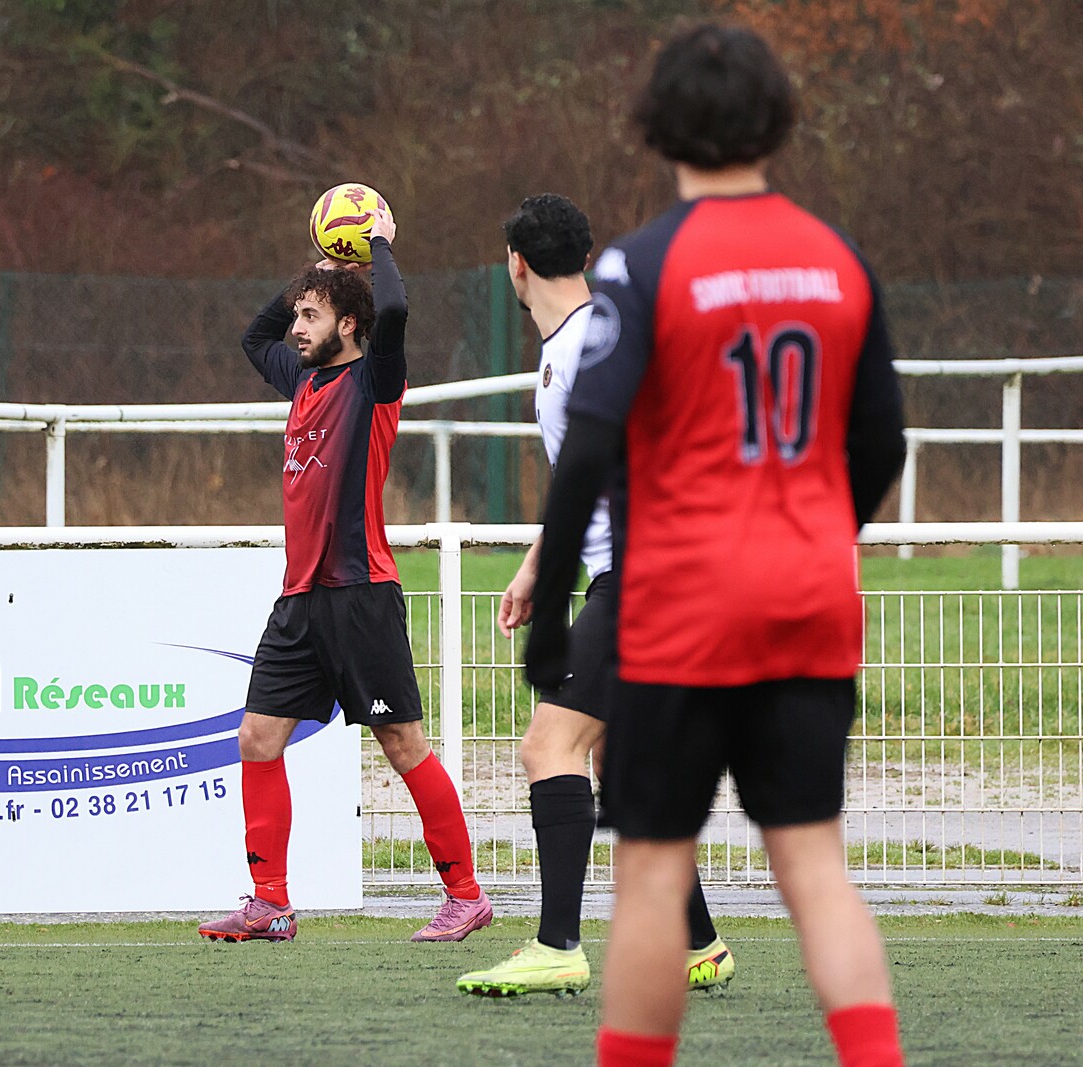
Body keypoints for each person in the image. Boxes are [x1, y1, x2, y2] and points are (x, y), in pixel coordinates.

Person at [522, 24, 907, 1067]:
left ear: (656, 127)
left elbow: (589, 448)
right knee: (815, 867)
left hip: (678, 606)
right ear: (778, 119)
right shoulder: (838, 260)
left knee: (652, 873)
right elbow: (882, 443)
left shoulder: (640, 265)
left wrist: (550, 610)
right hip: (808, 602)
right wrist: (813, 534)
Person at [456, 194, 731, 999]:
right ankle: (700, 943)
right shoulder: (581, 343)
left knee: (549, 746)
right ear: (582, 256)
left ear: (515, 264)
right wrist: (537, 566)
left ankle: (557, 944)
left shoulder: (589, 345)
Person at [198, 208, 492, 944]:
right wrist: (319, 271)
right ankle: (270, 903)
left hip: (361, 595)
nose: (296, 328)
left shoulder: (374, 379)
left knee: (403, 745)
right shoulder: (301, 378)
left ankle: (466, 895)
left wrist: (378, 242)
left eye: (312, 315)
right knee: (257, 738)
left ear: (351, 325)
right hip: (299, 601)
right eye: (298, 314)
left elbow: (394, 307)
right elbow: (254, 338)